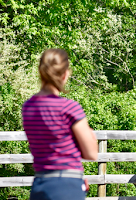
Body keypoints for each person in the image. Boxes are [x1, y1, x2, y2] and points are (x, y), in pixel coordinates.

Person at [22, 49, 98, 200]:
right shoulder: (69, 108)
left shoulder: (28, 107)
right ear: (64, 74)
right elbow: (91, 153)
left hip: (40, 184)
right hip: (67, 185)